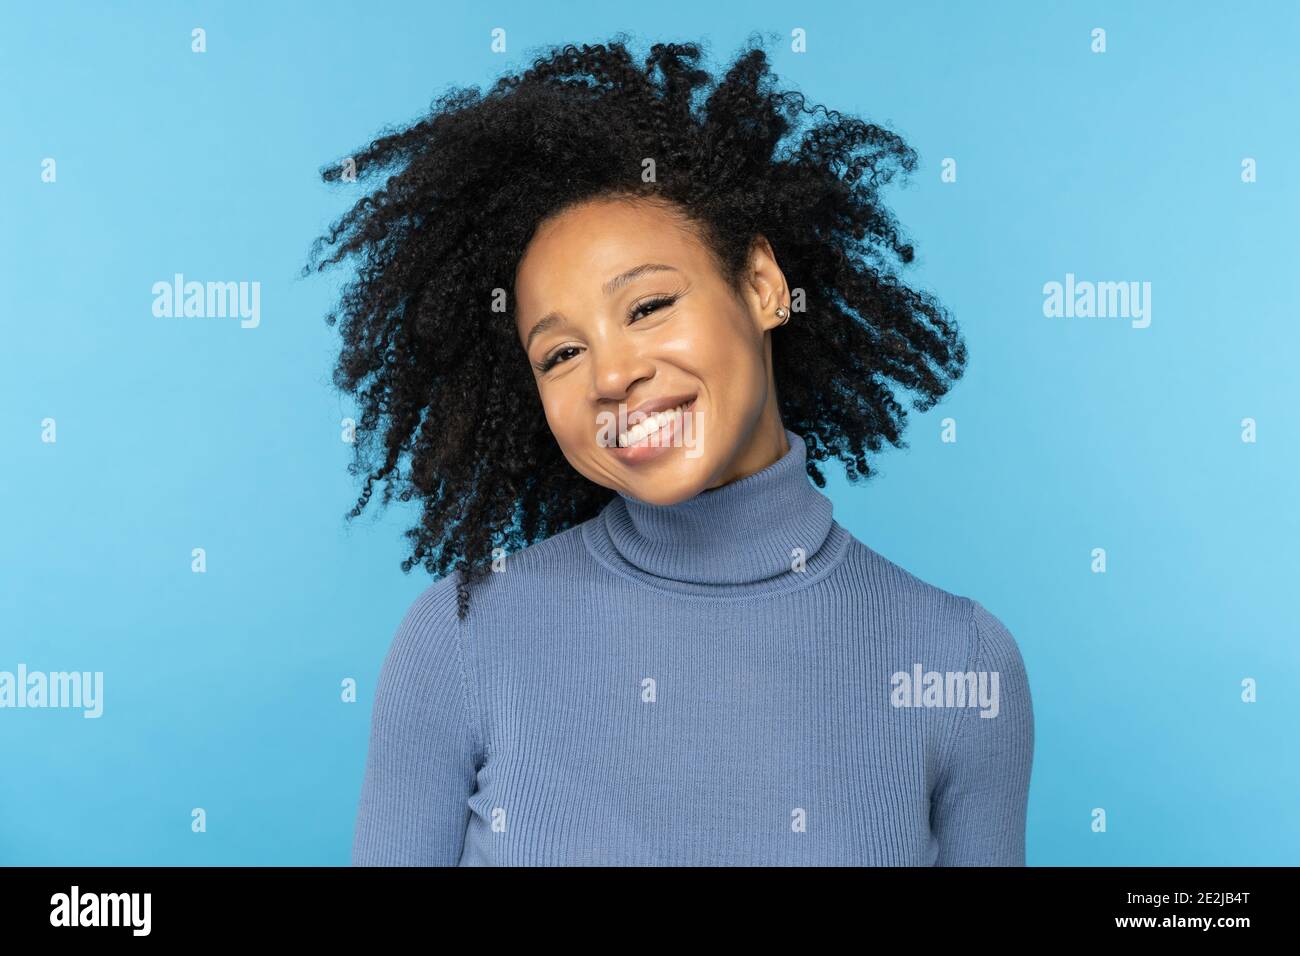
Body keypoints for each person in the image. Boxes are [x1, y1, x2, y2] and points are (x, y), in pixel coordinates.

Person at [306, 36, 1034, 866]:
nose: (613, 373)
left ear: (762, 285)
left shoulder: (960, 662)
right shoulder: (461, 640)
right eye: (562, 354)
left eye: (648, 305)